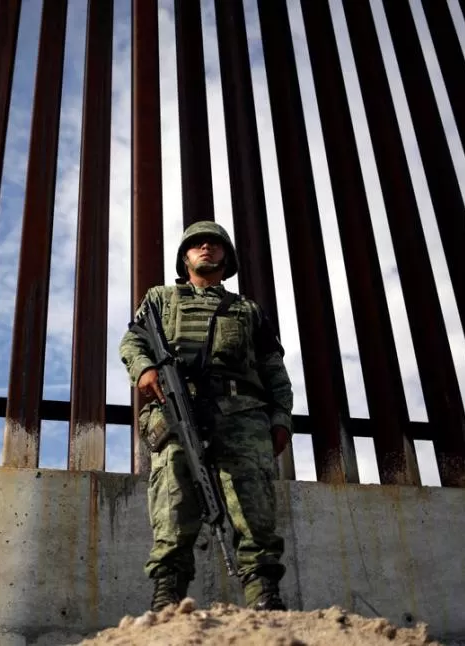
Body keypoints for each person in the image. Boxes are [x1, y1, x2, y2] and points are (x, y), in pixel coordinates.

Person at [118, 220, 294, 613]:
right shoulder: (161, 299)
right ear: (184, 257)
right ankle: (167, 597)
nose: (205, 248)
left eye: (214, 244)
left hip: (242, 415)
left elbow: (273, 369)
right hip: (176, 411)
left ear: (226, 257)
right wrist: (144, 368)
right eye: (196, 244)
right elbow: (133, 340)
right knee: (173, 504)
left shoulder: (248, 310)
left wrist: (281, 417)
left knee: (253, 509)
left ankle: (264, 597)